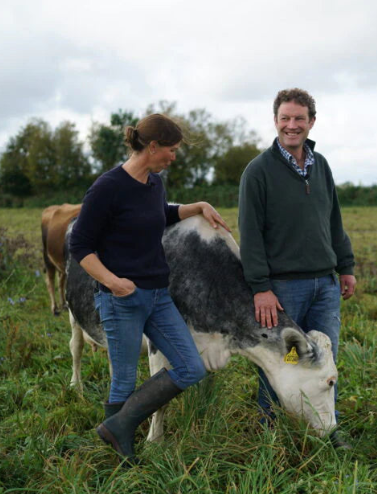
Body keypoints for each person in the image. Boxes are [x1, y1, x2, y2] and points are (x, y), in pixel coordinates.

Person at [70, 113, 230, 464]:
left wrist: (198, 207)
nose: (174, 157)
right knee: (123, 382)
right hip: (121, 299)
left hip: (159, 295)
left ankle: (119, 426)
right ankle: (118, 456)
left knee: (191, 367)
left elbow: (163, 213)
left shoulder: (154, 183)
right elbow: (80, 246)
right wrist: (113, 282)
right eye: (171, 150)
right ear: (152, 146)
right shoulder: (107, 188)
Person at [238, 88, 356, 448]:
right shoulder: (258, 172)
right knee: (285, 360)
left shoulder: (321, 167)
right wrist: (260, 286)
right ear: (275, 121)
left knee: (324, 364)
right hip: (284, 290)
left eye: (299, 119)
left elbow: (333, 220)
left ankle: (328, 430)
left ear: (311, 122)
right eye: (285, 118)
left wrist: (346, 265)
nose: (292, 125)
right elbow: (250, 233)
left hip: (325, 285)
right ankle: (270, 428)